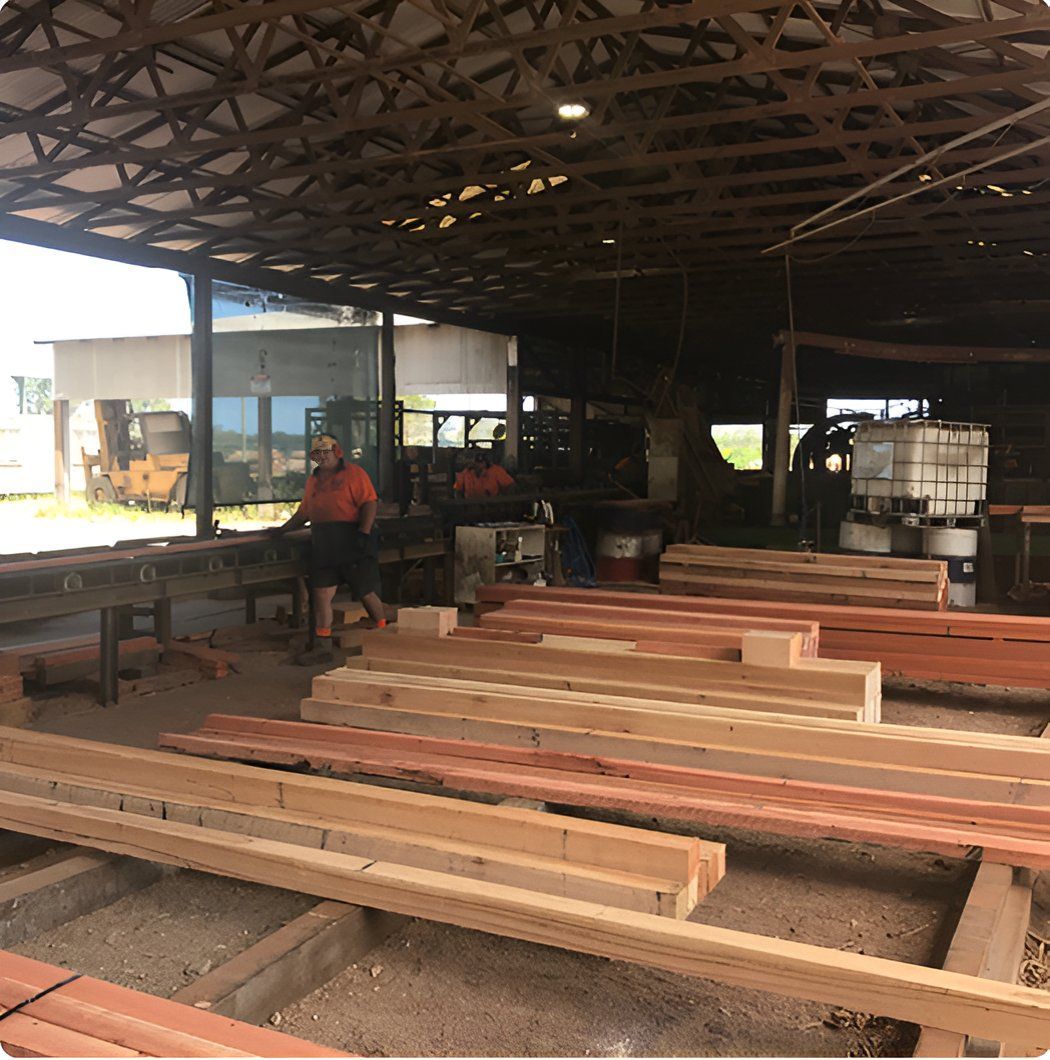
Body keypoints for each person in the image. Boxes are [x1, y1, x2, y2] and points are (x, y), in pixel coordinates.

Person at [273, 433, 386, 665]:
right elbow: (304, 513)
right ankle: (322, 647)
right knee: (321, 594)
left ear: (338, 452)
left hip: (352, 539)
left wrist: (363, 534)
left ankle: (385, 635)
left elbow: (369, 503)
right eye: (317, 453)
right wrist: (281, 530)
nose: (321, 457)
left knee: (365, 590)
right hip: (324, 543)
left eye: (326, 452)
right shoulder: (313, 481)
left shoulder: (354, 475)